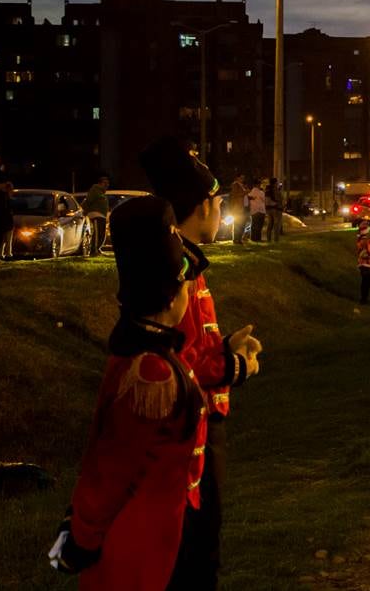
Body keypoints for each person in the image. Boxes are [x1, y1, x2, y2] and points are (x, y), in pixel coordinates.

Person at [50, 196, 206, 589]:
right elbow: (111, 472)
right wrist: (80, 539)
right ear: (172, 296)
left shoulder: (149, 354)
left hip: (154, 540)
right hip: (134, 548)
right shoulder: (151, 375)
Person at [140, 137, 261, 591]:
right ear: (202, 206)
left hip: (204, 424)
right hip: (193, 428)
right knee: (195, 555)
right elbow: (177, 356)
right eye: (215, 200)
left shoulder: (188, 263)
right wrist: (235, 366)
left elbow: (193, 343)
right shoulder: (178, 273)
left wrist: (225, 344)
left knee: (200, 547)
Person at [84, 173, 111, 253]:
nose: (107, 185)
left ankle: (98, 248)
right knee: (97, 234)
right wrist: (86, 211)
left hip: (101, 216)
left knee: (102, 234)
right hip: (95, 215)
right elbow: (88, 200)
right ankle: (94, 250)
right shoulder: (95, 189)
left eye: (107, 183)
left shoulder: (102, 192)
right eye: (105, 183)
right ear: (100, 183)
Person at [356, 221, 370, 304]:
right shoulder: (368, 240)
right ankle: (364, 299)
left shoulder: (359, 240)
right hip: (368, 263)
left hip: (361, 263)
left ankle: (363, 298)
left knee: (363, 282)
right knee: (367, 282)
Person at [227, 177, 247, 246]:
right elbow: (234, 195)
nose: (242, 179)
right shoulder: (235, 185)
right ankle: (236, 239)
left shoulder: (242, 185)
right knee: (238, 224)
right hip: (237, 207)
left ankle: (239, 238)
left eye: (243, 177)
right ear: (237, 178)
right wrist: (244, 193)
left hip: (242, 207)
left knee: (242, 224)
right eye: (241, 177)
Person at [264, 178, 283, 243]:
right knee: (276, 224)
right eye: (277, 182)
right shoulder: (275, 189)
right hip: (276, 209)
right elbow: (278, 198)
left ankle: (268, 239)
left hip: (269, 209)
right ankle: (276, 239)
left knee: (270, 224)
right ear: (275, 183)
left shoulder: (267, 189)